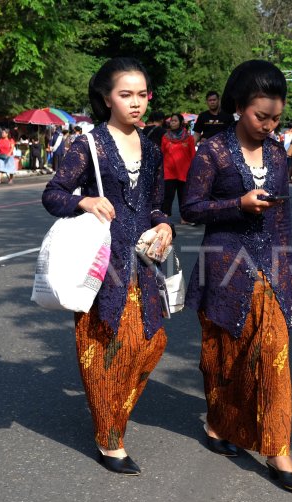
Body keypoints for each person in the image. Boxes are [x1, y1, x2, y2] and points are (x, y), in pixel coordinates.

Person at [182, 60, 292, 494]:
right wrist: (237, 204)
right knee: (222, 356)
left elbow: (283, 221)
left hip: (269, 270)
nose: (270, 126)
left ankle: (278, 448)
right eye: (262, 116)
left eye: (277, 118)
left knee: (275, 354)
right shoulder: (212, 151)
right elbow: (191, 208)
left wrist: (290, 272)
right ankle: (219, 426)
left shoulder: (277, 152)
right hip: (223, 268)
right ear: (239, 106)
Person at [42, 57, 172, 475]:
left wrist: (165, 224)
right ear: (106, 98)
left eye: (142, 95)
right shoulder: (90, 145)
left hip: (143, 263)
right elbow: (53, 193)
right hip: (101, 265)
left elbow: (156, 204)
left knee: (151, 344)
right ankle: (109, 438)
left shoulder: (152, 149)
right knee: (102, 347)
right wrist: (84, 200)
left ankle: (112, 412)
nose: (136, 103)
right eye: (125, 94)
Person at [160, 112, 197, 225]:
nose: (172, 123)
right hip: (169, 171)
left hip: (184, 172)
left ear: (181, 122)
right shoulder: (165, 137)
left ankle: (184, 218)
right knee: (168, 196)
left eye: (175, 121)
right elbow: (162, 153)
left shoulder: (189, 138)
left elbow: (193, 155)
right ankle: (164, 218)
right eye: (171, 121)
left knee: (184, 196)